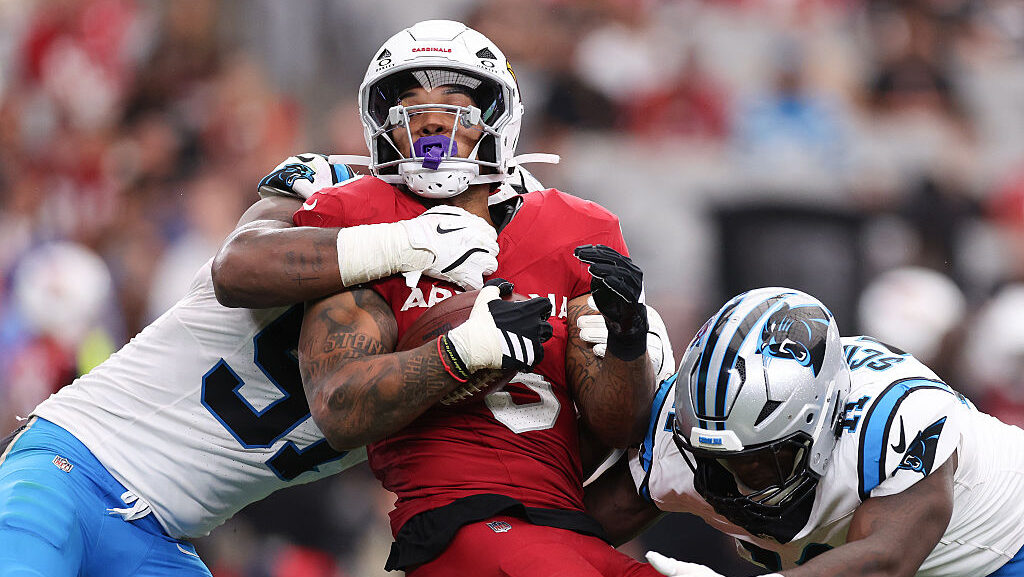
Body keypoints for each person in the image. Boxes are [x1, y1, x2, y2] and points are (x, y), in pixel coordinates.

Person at [261, 19, 662, 577]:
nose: (430, 120)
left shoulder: (579, 228)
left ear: (498, 117)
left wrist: (626, 344)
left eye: (453, 99)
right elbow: (340, 408)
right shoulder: (360, 216)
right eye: (410, 104)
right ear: (384, 125)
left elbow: (621, 426)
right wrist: (460, 352)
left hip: (565, 521)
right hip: (455, 517)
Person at [0, 153, 506, 575]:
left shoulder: (430, 360)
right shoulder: (310, 231)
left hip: (156, 536)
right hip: (70, 466)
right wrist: (401, 243)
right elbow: (238, 263)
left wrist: (473, 353)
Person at [582, 287, 1024, 577]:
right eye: (719, 464)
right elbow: (575, 531)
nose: (739, 483)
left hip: (1007, 550)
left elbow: (884, 564)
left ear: (823, 419)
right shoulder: (683, 435)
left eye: (760, 461)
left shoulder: (898, 419)